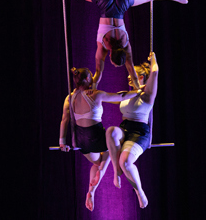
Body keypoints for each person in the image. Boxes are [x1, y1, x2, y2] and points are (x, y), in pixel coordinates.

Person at [27, 0, 186, 89]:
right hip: (103, 0)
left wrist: (138, 87)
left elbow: (132, 72)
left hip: (123, 0)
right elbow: (98, 73)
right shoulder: (103, 46)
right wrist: (93, 88)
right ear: (110, 56)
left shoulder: (126, 48)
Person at [59, 67, 143, 211]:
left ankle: (91, 190)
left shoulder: (69, 98)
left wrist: (62, 142)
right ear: (86, 79)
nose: (93, 80)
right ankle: (111, 173)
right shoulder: (95, 95)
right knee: (114, 146)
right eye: (91, 77)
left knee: (97, 164)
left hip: (81, 142)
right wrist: (138, 92)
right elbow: (121, 97)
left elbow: (64, 120)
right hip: (96, 137)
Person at [105, 52, 158, 209]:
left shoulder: (148, 95)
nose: (129, 78)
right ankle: (116, 173)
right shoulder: (128, 94)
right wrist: (91, 93)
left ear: (143, 78)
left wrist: (153, 58)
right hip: (125, 128)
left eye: (135, 76)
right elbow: (107, 97)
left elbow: (154, 72)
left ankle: (139, 192)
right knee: (111, 132)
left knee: (126, 162)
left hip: (139, 132)